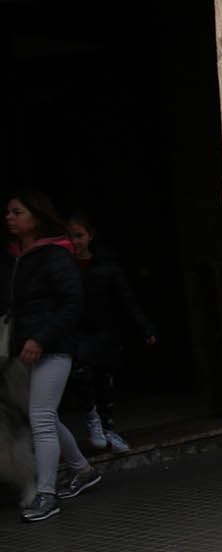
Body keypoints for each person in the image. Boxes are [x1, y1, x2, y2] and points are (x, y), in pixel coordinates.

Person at [5, 192, 99, 522]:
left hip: (53, 349)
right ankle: (83, 470)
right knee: (45, 416)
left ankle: (47, 494)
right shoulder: (20, 257)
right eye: (9, 212)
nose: (10, 217)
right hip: (27, 349)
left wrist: (40, 338)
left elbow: (72, 304)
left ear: (36, 217)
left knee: (41, 418)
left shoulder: (54, 256)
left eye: (17, 212)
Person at [64, 213, 157, 452]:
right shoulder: (63, 269)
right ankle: (93, 421)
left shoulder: (106, 268)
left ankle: (107, 427)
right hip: (75, 333)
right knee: (81, 375)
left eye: (79, 236)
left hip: (104, 331)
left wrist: (144, 327)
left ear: (90, 236)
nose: (75, 242)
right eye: (70, 236)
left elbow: (127, 300)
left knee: (105, 378)